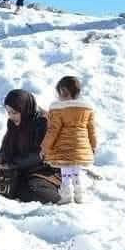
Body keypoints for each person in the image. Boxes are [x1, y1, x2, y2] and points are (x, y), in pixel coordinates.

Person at [0, 89, 60, 204]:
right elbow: (6, 145)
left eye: (14, 112)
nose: (11, 116)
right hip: (21, 168)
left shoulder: (44, 122)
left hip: (45, 170)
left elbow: (40, 155)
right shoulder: (14, 123)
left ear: (24, 109)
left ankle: (57, 193)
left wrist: (10, 165)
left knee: (35, 191)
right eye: (8, 112)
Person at [41, 76, 97, 204]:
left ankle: (67, 195)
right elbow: (92, 129)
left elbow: (53, 131)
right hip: (80, 147)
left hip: (64, 147)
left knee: (65, 172)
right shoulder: (87, 109)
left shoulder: (58, 110)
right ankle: (79, 194)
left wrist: (45, 147)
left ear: (62, 92)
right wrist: (93, 146)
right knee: (76, 172)